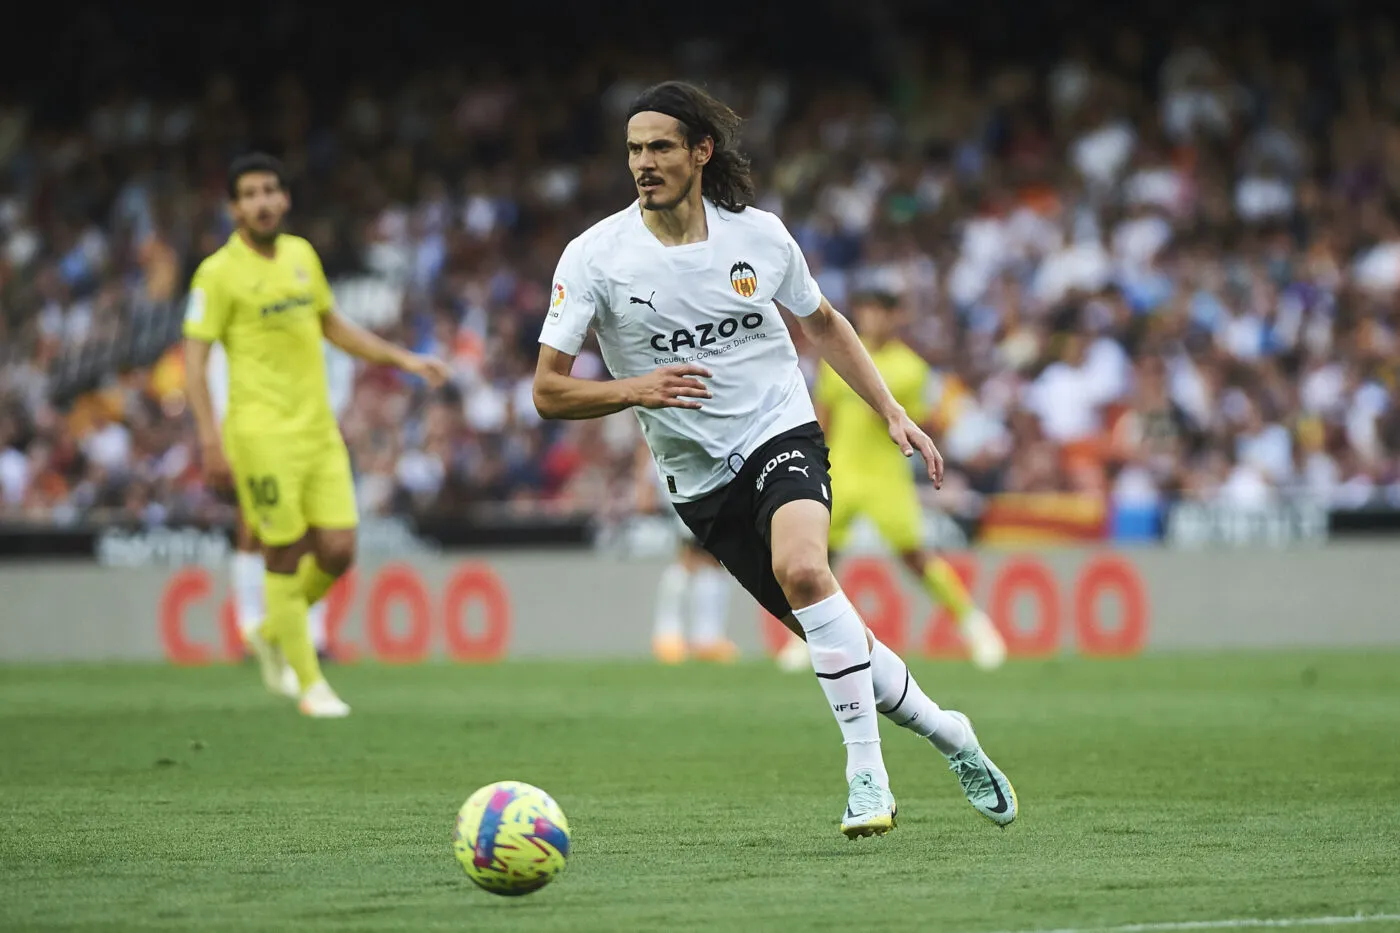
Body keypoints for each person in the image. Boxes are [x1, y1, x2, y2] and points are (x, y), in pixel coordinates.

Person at [532, 81, 1017, 838]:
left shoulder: (757, 237)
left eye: (660, 146)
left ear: (701, 152)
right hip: (699, 481)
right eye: (634, 149)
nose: (644, 163)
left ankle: (867, 775)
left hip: (779, 430)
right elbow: (548, 392)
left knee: (803, 567)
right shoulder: (596, 256)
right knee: (832, 634)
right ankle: (950, 731)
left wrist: (891, 410)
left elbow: (824, 325)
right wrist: (636, 388)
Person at [184, 153, 449, 718]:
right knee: (283, 547)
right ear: (234, 207)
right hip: (260, 434)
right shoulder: (217, 273)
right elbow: (193, 361)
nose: (262, 201)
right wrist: (210, 441)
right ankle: (311, 685)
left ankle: (274, 628)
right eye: (250, 193)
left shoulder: (303, 256)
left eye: (271, 190)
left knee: (338, 549)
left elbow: (333, 326)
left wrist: (403, 358)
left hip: (317, 429)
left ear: (284, 199)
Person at [774, 291, 1007, 673]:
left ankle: (973, 624)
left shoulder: (910, 368)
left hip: (887, 476)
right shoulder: (838, 354)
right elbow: (824, 415)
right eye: (865, 310)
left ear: (894, 316)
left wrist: (882, 414)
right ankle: (804, 637)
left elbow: (915, 424)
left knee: (915, 556)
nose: (870, 319)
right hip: (841, 471)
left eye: (879, 311)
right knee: (817, 558)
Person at [210, 337, 355, 685]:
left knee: (313, 535)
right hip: (257, 432)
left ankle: (310, 635)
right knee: (255, 527)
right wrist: (225, 426)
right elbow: (218, 366)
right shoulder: (241, 309)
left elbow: (340, 370)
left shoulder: (311, 308)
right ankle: (249, 629)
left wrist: (322, 415)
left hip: (311, 434)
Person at [632, 439, 736, 664]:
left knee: (698, 560)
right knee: (700, 560)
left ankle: (680, 638)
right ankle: (694, 638)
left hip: (684, 478)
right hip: (690, 483)